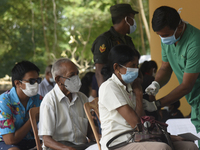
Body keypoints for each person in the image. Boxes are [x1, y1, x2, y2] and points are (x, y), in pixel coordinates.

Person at [142, 6, 200, 148]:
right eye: (160, 35)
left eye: (166, 35)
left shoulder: (195, 42)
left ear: (179, 27)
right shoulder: (166, 38)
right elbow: (165, 68)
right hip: (195, 101)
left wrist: (157, 104)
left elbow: (186, 86)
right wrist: (155, 84)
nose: (163, 39)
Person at [99, 44, 169, 150]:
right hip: (118, 143)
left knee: (188, 146)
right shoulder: (109, 87)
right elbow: (136, 124)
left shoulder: (130, 87)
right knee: (162, 148)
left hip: (136, 139)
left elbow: (142, 121)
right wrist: (139, 95)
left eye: (137, 65)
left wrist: (138, 93)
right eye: (132, 66)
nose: (136, 69)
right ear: (116, 67)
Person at [38, 58, 95, 150]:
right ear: (58, 80)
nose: (76, 78)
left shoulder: (82, 98)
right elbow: (46, 140)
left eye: (77, 74)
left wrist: (99, 138)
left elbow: (89, 132)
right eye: (72, 75)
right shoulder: (49, 101)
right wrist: (67, 149)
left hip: (81, 146)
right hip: (58, 148)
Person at [91, 3, 139, 87]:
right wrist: (105, 94)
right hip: (113, 88)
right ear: (126, 19)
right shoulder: (104, 40)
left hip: (128, 89)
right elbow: (99, 71)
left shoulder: (128, 40)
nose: (134, 22)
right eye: (133, 19)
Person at [0, 61, 42, 150]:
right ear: (17, 83)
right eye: (31, 81)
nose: (36, 84)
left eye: (37, 80)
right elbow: (10, 140)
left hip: (32, 141)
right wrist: (32, 119)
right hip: (5, 143)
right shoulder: (4, 101)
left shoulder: (39, 99)